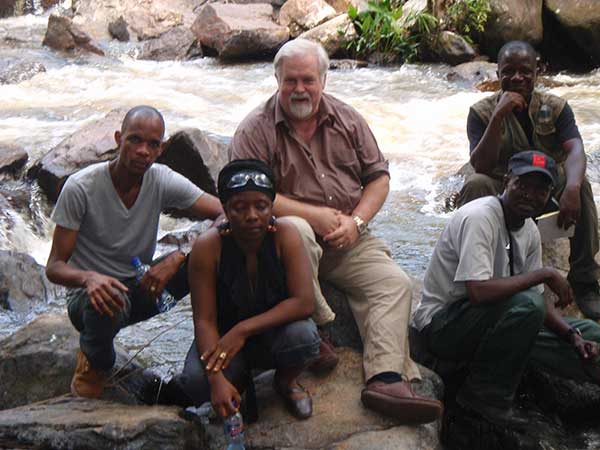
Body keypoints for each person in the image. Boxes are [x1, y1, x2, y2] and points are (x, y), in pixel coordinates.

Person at [229, 38, 442, 423]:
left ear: (323, 80)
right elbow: (249, 197)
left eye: (308, 80)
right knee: (294, 228)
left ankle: (385, 378)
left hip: (347, 239)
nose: (299, 89)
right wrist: (315, 216)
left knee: (395, 283)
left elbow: (379, 179)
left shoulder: (347, 119)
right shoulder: (255, 129)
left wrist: (356, 221)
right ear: (276, 80)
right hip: (282, 243)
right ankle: (318, 332)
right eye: (290, 80)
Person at [46, 105, 223, 399]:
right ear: (119, 139)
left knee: (217, 251)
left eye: (153, 144)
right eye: (135, 140)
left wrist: (181, 256)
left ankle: (215, 351)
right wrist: (89, 278)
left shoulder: (161, 179)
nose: (143, 151)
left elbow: (226, 213)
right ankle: (95, 365)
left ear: (161, 148)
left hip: (141, 284)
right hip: (91, 299)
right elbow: (54, 267)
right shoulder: (81, 187)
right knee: (109, 298)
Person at [414, 151, 600, 428]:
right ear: (506, 181)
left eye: (540, 189)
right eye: (522, 185)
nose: (529, 194)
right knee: (527, 305)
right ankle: (484, 396)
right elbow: (478, 291)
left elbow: (538, 302)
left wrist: (571, 335)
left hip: (501, 325)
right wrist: (545, 273)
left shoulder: (529, 231)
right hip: (444, 326)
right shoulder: (480, 217)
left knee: (592, 333)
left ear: (549, 193)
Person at [455, 40, 600, 319]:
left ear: (537, 72)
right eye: (508, 71)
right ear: (497, 74)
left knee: (580, 185)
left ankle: (584, 280)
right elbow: (481, 164)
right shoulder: (481, 112)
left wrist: (570, 187)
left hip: (545, 187)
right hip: (504, 191)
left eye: (525, 71)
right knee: (475, 184)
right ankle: (474, 276)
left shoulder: (555, 107)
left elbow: (575, 149)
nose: (517, 78)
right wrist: (499, 115)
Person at [168, 159, 320, 420]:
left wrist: (243, 330)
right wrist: (216, 380)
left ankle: (286, 382)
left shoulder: (286, 234)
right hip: (224, 335)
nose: (252, 216)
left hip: (272, 332)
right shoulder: (208, 247)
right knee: (196, 382)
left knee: (304, 336)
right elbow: (204, 320)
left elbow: (304, 302)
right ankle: (235, 386)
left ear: (271, 207)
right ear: (225, 210)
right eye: (239, 208)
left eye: (261, 206)